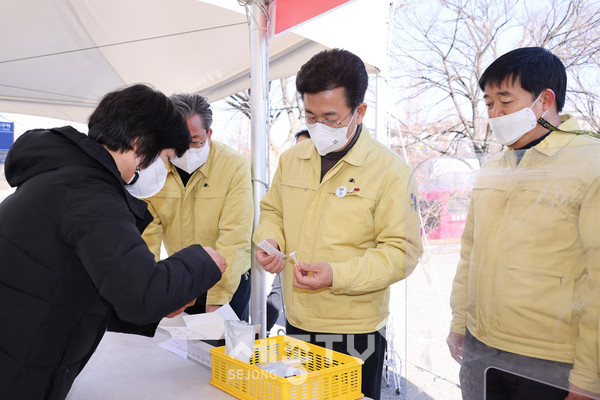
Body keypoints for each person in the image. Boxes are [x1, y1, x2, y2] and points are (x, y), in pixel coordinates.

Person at [0, 84, 228, 400]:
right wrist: (202, 262)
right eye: (164, 157)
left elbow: (78, 288)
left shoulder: (67, 177)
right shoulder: (91, 194)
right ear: (139, 144)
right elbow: (140, 294)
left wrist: (162, 308)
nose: (165, 169)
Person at [253, 48, 423, 400]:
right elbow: (273, 211)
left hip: (354, 330)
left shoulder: (391, 172)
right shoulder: (293, 159)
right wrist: (272, 243)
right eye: (310, 116)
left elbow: (401, 252)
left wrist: (337, 275)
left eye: (330, 117)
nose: (319, 128)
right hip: (297, 319)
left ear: (359, 111)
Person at [446, 47, 600, 400]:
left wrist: (590, 378)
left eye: (505, 101)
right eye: (488, 104)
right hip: (482, 347)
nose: (495, 114)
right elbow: (470, 254)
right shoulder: (493, 169)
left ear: (545, 100)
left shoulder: (590, 164)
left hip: (551, 361)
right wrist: (460, 324)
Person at [141, 93, 253, 320]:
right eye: (177, 142)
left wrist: (218, 298)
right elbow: (147, 237)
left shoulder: (233, 165)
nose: (185, 150)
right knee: (182, 351)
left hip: (228, 278)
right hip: (183, 278)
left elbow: (235, 235)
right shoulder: (153, 169)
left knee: (225, 350)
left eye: (194, 141)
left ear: (209, 134)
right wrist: (148, 292)